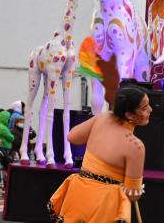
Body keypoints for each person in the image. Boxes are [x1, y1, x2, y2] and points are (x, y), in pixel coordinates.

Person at [48, 83, 151, 223]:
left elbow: (72, 137)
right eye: (144, 108)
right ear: (129, 114)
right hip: (105, 204)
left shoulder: (103, 118)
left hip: (79, 194)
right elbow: (132, 194)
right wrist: (137, 189)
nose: (150, 110)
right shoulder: (135, 146)